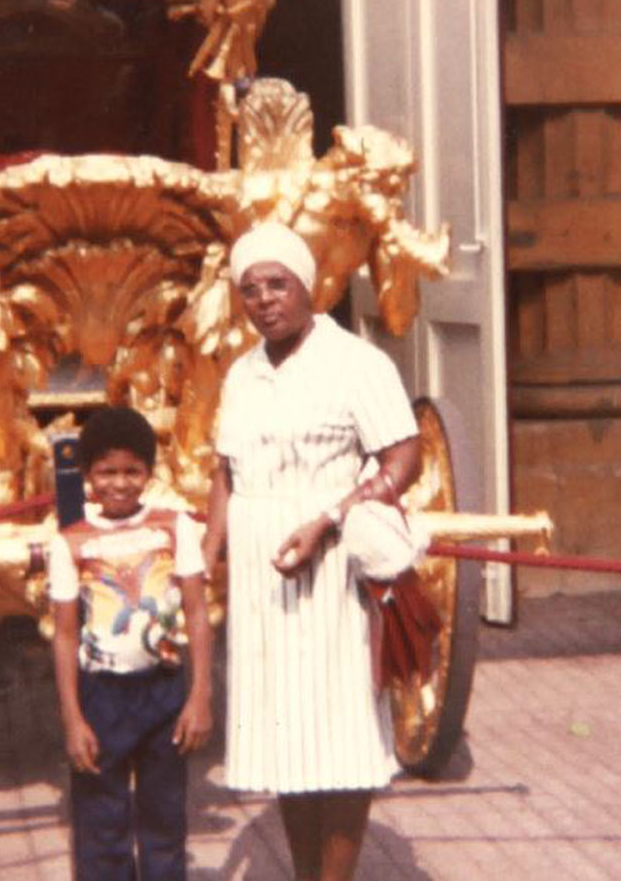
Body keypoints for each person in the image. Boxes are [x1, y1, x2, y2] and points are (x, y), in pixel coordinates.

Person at [202, 221, 422, 881]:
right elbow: (224, 470)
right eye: (250, 290)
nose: (265, 299)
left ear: (308, 287)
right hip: (260, 578)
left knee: (341, 733)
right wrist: (210, 548)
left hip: (332, 572)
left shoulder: (357, 363)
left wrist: (329, 520)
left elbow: (402, 457)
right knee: (284, 739)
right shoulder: (241, 375)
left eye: (278, 284)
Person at [49, 406, 213, 881]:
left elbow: (198, 614)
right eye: (106, 472)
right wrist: (73, 718)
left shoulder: (173, 527)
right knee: (101, 828)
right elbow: (63, 635)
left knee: (164, 821)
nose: (118, 483)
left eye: (130, 471)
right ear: (87, 476)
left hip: (163, 690)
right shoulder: (71, 541)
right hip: (101, 695)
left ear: (147, 473)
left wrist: (199, 696)